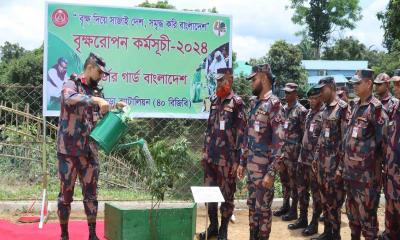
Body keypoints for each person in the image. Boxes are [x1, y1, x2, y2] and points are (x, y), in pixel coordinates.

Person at [57, 53, 126, 240]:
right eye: (99, 72)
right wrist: (96, 100)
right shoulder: (72, 83)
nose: (101, 76)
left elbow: (99, 117)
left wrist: (113, 108)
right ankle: (64, 235)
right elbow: (68, 98)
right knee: (65, 196)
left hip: (89, 151)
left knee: (91, 195)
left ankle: (93, 235)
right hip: (68, 151)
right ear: (89, 67)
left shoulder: (96, 92)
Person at [199, 68, 247, 240]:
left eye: (222, 81)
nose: (219, 84)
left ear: (231, 80)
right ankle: (213, 226)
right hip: (211, 157)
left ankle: (223, 230)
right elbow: (209, 129)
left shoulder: (237, 103)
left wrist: (238, 161)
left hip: (228, 160)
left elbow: (242, 134)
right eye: (217, 81)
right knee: (209, 194)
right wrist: (204, 152)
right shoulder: (214, 100)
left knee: (227, 196)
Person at [237, 64, 284, 240]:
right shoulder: (255, 103)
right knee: (252, 208)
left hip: (264, 171)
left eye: (254, 79)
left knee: (263, 211)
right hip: (251, 169)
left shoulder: (274, 105)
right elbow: (247, 136)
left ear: (264, 78)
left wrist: (271, 173)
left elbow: (280, 144)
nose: (251, 83)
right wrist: (242, 162)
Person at [340, 69, 388, 240]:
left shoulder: (375, 109)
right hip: (350, 175)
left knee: (368, 220)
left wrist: (379, 173)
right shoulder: (353, 106)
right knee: (353, 218)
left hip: (367, 178)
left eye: (357, 83)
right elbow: (347, 139)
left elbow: (384, 145)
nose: (354, 86)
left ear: (369, 84)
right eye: (353, 83)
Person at [312, 76, 350, 240]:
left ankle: (335, 235)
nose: (320, 93)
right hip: (322, 165)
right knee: (325, 201)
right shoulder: (325, 109)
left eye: (322, 89)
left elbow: (346, 140)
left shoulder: (342, 108)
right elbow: (321, 135)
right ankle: (327, 232)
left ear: (331, 88)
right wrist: (315, 157)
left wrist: (341, 168)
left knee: (334, 203)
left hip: (334, 167)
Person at [289, 86, 323, 236]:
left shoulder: (324, 115)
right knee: (301, 190)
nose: (312, 100)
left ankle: (314, 223)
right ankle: (302, 218)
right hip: (303, 159)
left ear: (321, 98)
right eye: (310, 98)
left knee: (316, 194)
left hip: (314, 162)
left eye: (315, 98)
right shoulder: (309, 113)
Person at [274, 83, 307, 222]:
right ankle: (285, 206)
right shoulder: (283, 109)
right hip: (283, 153)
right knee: (284, 181)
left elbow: (304, 134)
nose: (286, 95)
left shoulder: (301, 111)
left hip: (294, 154)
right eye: (285, 92)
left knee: (295, 184)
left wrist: (301, 154)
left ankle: (294, 210)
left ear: (295, 93)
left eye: (289, 93)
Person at [380, 69, 400, 240]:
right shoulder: (395, 108)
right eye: (395, 83)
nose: (396, 87)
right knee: (391, 204)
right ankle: (390, 233)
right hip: (391, 168)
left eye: (399, 84)